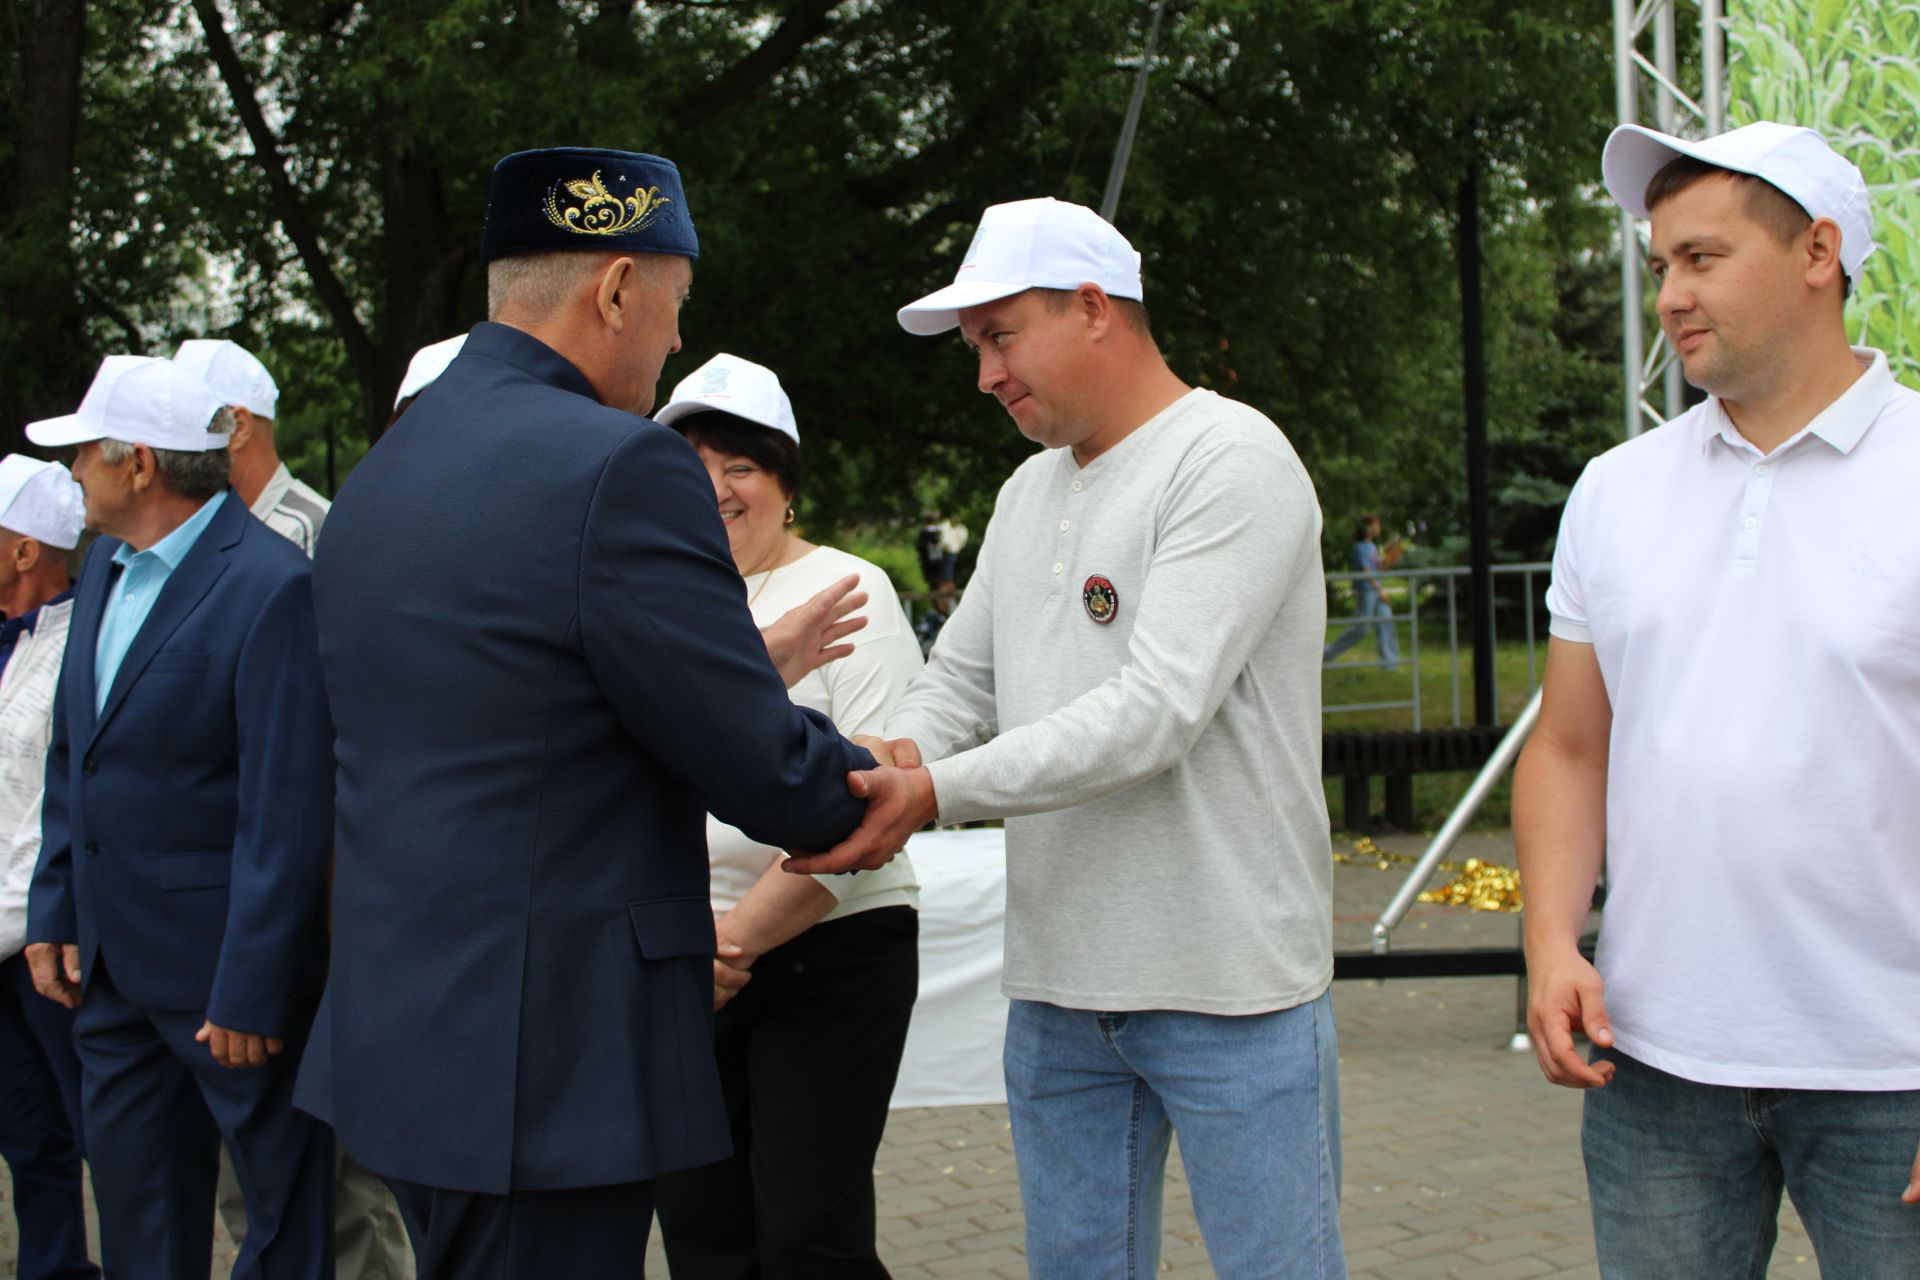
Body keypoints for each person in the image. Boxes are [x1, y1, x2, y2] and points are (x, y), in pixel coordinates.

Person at [293, 147, 903, 1277]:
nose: (674, 341)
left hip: (404, 1035)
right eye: (673, 307)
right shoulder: (616, 464)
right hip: (546, 1049)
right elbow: (751, 757)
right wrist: (876, 782)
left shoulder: (385, 471)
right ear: (618, 287)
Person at [793, 196, 1344, 1278]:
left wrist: (932, 789)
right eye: (974, 347)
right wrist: (881, 764)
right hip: (1055, 986)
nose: (986, 373)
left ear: (1094, 307)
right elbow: (959, 685)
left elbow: (1154, 711)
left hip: (1233, 986)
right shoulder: (1025, 489)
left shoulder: (1230, 457)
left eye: (999, 336)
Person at [1515, 121, 1920, 1278]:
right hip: (1653, 1066)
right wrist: (1550, 940)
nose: (1672, 294)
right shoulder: (1615, 489)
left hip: (1893, 1072)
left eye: (1702, 257)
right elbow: (1569, 746)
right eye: (1659, 266)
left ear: (1818, 251)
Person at [23, 354, 336, 1279]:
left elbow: (285, 806)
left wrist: (250, 987)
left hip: (224, 989)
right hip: (111, 975)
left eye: (82, 454)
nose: (70, 473)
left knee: (282, 1226)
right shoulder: (106, 570)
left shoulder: (271, 584)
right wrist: (55, 910)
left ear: (138, 465)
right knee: (139, 1227)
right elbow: (72, 755)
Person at [649, 353, 924, 1278]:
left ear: (785, 481)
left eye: (740, 465)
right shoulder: (654, 602)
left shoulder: (849, 591)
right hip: (687, 962)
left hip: (829, 947)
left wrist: (734, 943)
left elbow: (874, 790)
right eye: (690, 465)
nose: (716, 489)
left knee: (809, 1237)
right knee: (703, 1232)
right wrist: (703, 949)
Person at [176, 337, 415, 1277]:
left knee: (344, 1180)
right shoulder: (201, 550)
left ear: (233, 425)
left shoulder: (314, 537)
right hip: (243, 910)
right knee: (264, 1183)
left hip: (320, 911)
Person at [0, 455, 96, 1280]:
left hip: (46, 937)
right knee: (28, 1142)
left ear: (25, 550)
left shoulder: (83, 640)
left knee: (100, 1133)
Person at [174, 338, 330, 555]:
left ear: (239, 428)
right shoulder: (197, 525)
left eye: (185, 422)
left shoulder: (308, 530)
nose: (169, 441)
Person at [1321, 513, 1401, 669]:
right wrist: (1380, 591)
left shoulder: (1372, 547)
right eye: (1376, 525)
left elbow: (1378, 568)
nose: (1379, 528)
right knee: (1361, 629)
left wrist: (1390, 559)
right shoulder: (1359, 548)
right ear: (1367, 528)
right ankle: (1326, 655)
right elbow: (1365, 572)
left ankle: (1389, 664)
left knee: (1385, 622)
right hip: (1367, 592)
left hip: (1376, 591)